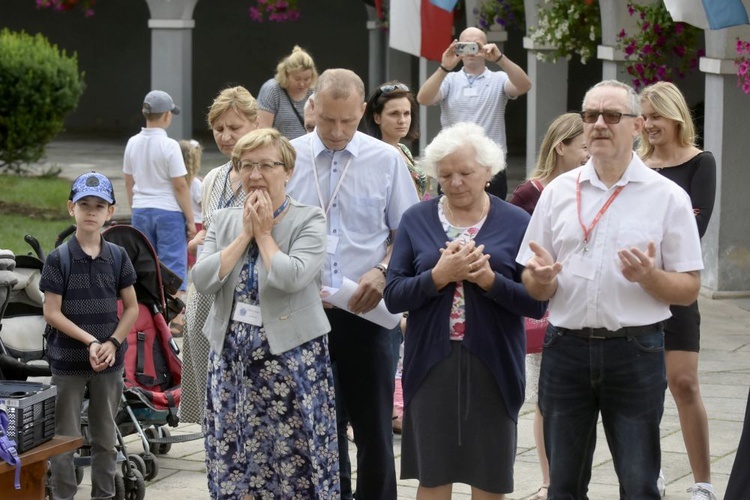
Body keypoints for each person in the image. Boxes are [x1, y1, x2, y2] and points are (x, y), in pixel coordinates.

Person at [517, 80, 704, 499]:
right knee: (563, 485)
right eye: (590, 116)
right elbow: (531, 279)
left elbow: (689, 288)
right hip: (564, 350)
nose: (599, 124)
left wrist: (649, 278)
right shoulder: (558, 193)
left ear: (636, 125)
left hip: (635, 351)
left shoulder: (667, 197)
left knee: (639, 484)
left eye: (612, 116)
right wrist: (539, 280)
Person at [383, 122, 546, 499]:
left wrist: (490, 282)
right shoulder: (416, 220)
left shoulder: (517, 222)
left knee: (488, 476)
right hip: (430, 362)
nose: (455, 182)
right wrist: (437, 277)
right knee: (434, 475)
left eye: (465, 173)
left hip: (494, 362)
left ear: (488, 172)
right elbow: (393, 296)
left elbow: (536, 302)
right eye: (445, 175)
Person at [286, 68, 419, 500]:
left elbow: (407, 235)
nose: (338, 131)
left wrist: (382, 271)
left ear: (363, 111)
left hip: (367, 310)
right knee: (319, 428)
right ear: (313, 109)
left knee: (375, 430)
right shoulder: (287, 157)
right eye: (327, 120)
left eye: (348, 120)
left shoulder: (386, 160)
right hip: (305, 312)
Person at [192, 128, 339, 498]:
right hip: (231, 365)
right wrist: (244, 235)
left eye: (266, 165)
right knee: (236, 457)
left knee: (295, 457)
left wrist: (265, 235)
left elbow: (291, 276)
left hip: (290, 363)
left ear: (287, 171)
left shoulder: (309, 220)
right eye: (246, 166)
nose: (255, 174)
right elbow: (203, 278)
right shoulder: (224, 220)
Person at [639, 81, 717, 500]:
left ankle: (703, 482)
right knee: (645, 386)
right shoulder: (635, 165)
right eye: (645, 116)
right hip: (637, 289)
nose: (649, 124)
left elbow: (696, 226)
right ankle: (650, 472)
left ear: (675, 116)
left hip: (677, 286)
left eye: (657, 116)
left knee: (684, 382)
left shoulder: (700, 162)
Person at [41, 172, 139, 500]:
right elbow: (52, 312)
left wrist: (111, 343)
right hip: (68, 363)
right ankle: (63, 496)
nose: (92, 211)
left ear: (110, 212)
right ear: (72, 208)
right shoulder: (59, 259)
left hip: (109, 363)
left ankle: (105, 495)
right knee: (64, 438)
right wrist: (91, 341)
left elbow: (131, 309)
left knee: (105, 437)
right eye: (84, 204)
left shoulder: (118, 256)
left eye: (100, 205)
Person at [508, 112, 588, 500]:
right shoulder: (530, 193)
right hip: (542, 309)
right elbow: (512, 252)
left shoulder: (590, 190)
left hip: (578, 305)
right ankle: (547, 478)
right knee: (544, 397)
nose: (590, 154)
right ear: (562, 147)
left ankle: (564, 479)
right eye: (583, 147)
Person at [179, 86, 259, 425]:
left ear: (255, 125)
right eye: (219, 128)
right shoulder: (213, 177)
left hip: (242, 294)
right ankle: (214, 448)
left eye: (234, 127)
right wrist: (200, 238)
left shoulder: (262, 174)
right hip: (205, 293)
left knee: (243, 388)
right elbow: (208, 227)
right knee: (207, 385)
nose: (225, 136)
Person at [416, 27, 532, 200]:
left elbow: (524, 86)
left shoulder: (498, 79)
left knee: (493, 216)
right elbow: (423, 98)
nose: (471, 50)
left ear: (486, 47)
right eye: (466, 45)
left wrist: (500, 59)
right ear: (458, 48)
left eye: (476, 45)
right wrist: (444, 67)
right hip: (453, 161)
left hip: (489, 163)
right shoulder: (449, 80)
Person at [123, 90, 196, 328]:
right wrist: (190, 219)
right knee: (172, 264)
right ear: (166, 116)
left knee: (145, 265)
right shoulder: (170, 145)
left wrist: (135, 207)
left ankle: (149, 313)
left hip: (141, 211)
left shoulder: (132, 143)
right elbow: (180, 185)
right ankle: (174, 319)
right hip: (168, 212)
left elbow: (128, 181)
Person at [363, 80, 427, 199]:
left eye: (406, 113)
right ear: (377, 117)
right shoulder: (374, 154)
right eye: (394, 114)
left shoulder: (403, 149)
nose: (402, 120)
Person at [258, 45, 318, 140]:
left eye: (307, 79)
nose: (302, 84)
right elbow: (262, 131)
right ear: (286, 74)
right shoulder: (272, 90)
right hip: (282, 149)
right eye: (297, 79)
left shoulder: (315, 91)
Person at [181, 139, 203, 273]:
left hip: (185, 222)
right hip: (198, 224)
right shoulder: (195, 183)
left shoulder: (179, 182)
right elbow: (203, 205)